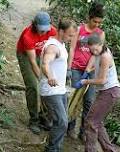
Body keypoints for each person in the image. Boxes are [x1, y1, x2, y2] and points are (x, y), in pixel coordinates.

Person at [73, 33, 120, 152]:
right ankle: (109, 150)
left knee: (91, 122)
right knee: (97, 122)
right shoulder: (99, 52)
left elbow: (102, 80)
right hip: (106, 91)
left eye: (95, 49)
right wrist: (88, 69)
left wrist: (85, 81)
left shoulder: (105, 56)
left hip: (110, 92)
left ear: (101, 44)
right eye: (91, 50)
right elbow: (94, 58)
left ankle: (90, 149)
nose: (94, 51)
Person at [67, 2, 106, 140]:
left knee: (89, 101)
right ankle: (69, 127)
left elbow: (97, 55)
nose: (97, 24)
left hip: (91, 72)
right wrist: (69, 67)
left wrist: (89, 70)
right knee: (74, 98)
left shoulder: (101, 34)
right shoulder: (79, 29)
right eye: (95, 21)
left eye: (99, 22)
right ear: (89, 18)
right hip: (76, 68)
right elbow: (72, 48)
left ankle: (83, 131)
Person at [17, 11, 57, 134]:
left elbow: (54, 49)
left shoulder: (52, 31)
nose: (43, 33)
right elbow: (33, 62)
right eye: (40, 30)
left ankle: (43, 116)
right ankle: (33, 120)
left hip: (43, 54)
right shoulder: (28, 36)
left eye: (45, 30)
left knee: (47, 86)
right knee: (33, 86)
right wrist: (41, 78)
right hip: (26, 55)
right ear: (35, 25)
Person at [40, 19, 76, 152]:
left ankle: (56, 148)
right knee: (62, 123)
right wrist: (50, 76)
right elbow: (45, 63)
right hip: (51, 91)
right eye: (70, 35)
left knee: (61, 122)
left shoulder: (61, 45)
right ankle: (51, 149)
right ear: (61, 31)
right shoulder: (53, 46)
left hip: (60, 90)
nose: (71, 38)